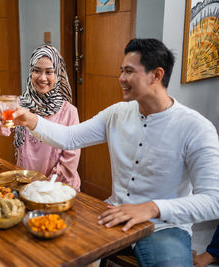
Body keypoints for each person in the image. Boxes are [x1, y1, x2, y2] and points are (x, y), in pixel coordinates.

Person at [12, 38, 219, 266]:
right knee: (53, 247)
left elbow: (214, 199)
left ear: (156, 75)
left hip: (165, 226)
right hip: (113, 212)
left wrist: (152, 208)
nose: (121, 78)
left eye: (129, 72)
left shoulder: (197, 128)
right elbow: (69, 138)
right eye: (121, 71)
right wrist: (30, 119)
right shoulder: (117, 113)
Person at [0, 45, 81, 190]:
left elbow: (70, 160)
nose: (42, 78)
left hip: (60, 188)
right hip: (26, 184)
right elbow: (3, 129)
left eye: (49, 72)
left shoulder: (69, 112)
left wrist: (44, 187)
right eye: (37, 71)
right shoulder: (19, 104)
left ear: (58, 75)